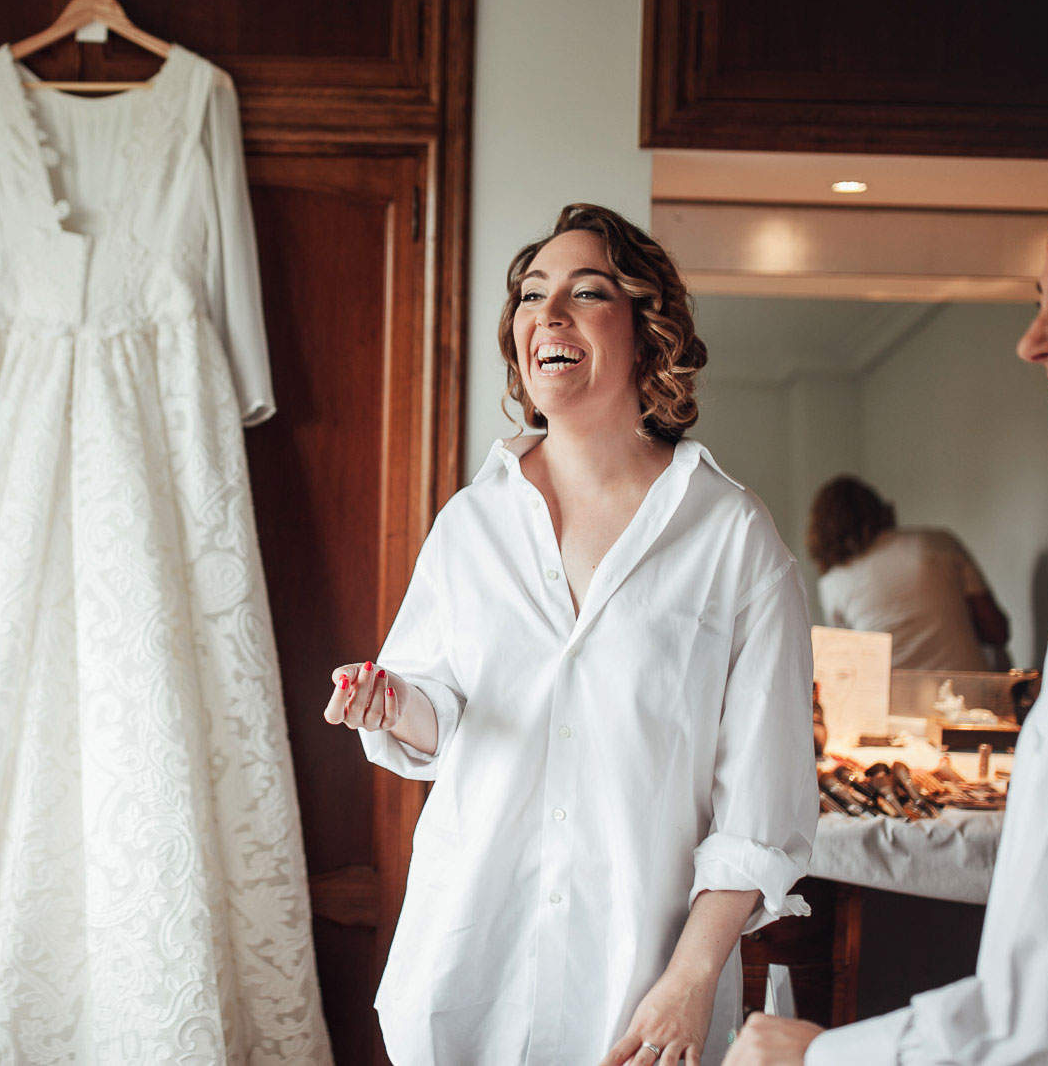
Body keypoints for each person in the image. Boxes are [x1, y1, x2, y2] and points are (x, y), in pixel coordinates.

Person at [324, 203, 819, 1066]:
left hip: (636, 1000)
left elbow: (761, 810)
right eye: (529, 295)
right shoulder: (470, 523)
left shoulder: (733, 538)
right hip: (462, 970)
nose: (544, 315)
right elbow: (441, 709)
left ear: (646, 328)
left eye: (584, 292)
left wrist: (692, 978)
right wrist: (392, 701)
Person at [730, 159, 1048, 1065]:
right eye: (1037, 301)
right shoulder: (969, 552)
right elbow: (990, 628)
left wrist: (813, 1056)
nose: (1031, 341)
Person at [807, 476, 1011, 670]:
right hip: (970, 698)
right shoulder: (936, 543)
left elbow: (851, 666)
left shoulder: (832, 583)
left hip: (891, 703)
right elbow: (996, 631)